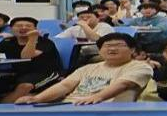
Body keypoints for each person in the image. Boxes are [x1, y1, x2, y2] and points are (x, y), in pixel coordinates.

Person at [17, 33, 153, 105]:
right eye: (107, 46)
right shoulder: (88, 68)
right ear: (99, 50)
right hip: (71, 106)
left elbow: (123, 84)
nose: (112, 49)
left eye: (118, 45)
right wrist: (38, 98)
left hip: (102, 108)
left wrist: (97, 97)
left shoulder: (140, 67)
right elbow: (64, 86)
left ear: (132, 50)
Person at [0, 17, 65, 103]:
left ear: (35, 29)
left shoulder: (45, 42)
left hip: (48, 73)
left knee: (25, 86)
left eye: (28, 26)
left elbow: (26, 56)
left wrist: (32, 38)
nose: (24, 28)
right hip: (21, 74)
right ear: (11, 29)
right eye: (19, 26)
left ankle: (0, 108)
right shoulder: (8, 41)